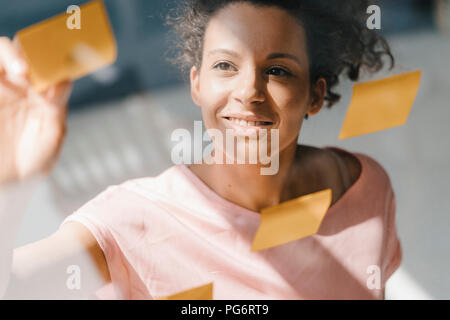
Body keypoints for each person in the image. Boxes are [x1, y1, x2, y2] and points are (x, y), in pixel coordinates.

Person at [0, 0, 402, 299]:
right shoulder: (131, 221)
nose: (248, 92)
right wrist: (8, 181)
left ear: (314, 95)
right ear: (196, 84)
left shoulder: (366, 187)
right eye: (225, 66)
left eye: (277, 70)